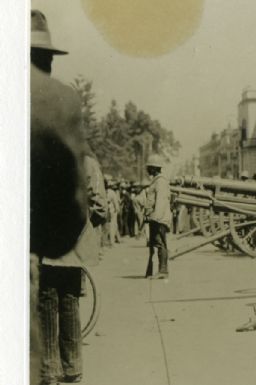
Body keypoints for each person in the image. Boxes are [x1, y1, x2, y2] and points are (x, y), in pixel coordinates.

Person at [31, 9, 106, 384]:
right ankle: (72, 370)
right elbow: (91, 191)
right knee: (69, 304)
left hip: (43, 245)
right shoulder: (66, 104)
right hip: (72, 241)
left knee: (46, 304)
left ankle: (50, 372)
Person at [144, 155, 173, 279]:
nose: (147, 170)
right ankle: (159, 270)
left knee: (160, 243)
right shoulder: (157, 181)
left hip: (159, 218)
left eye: (149, 167)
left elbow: (161, 201)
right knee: (156, 243)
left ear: (154, 168)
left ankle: (163, 270)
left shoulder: (160, 182)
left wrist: (156, 217)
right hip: (156, 217)